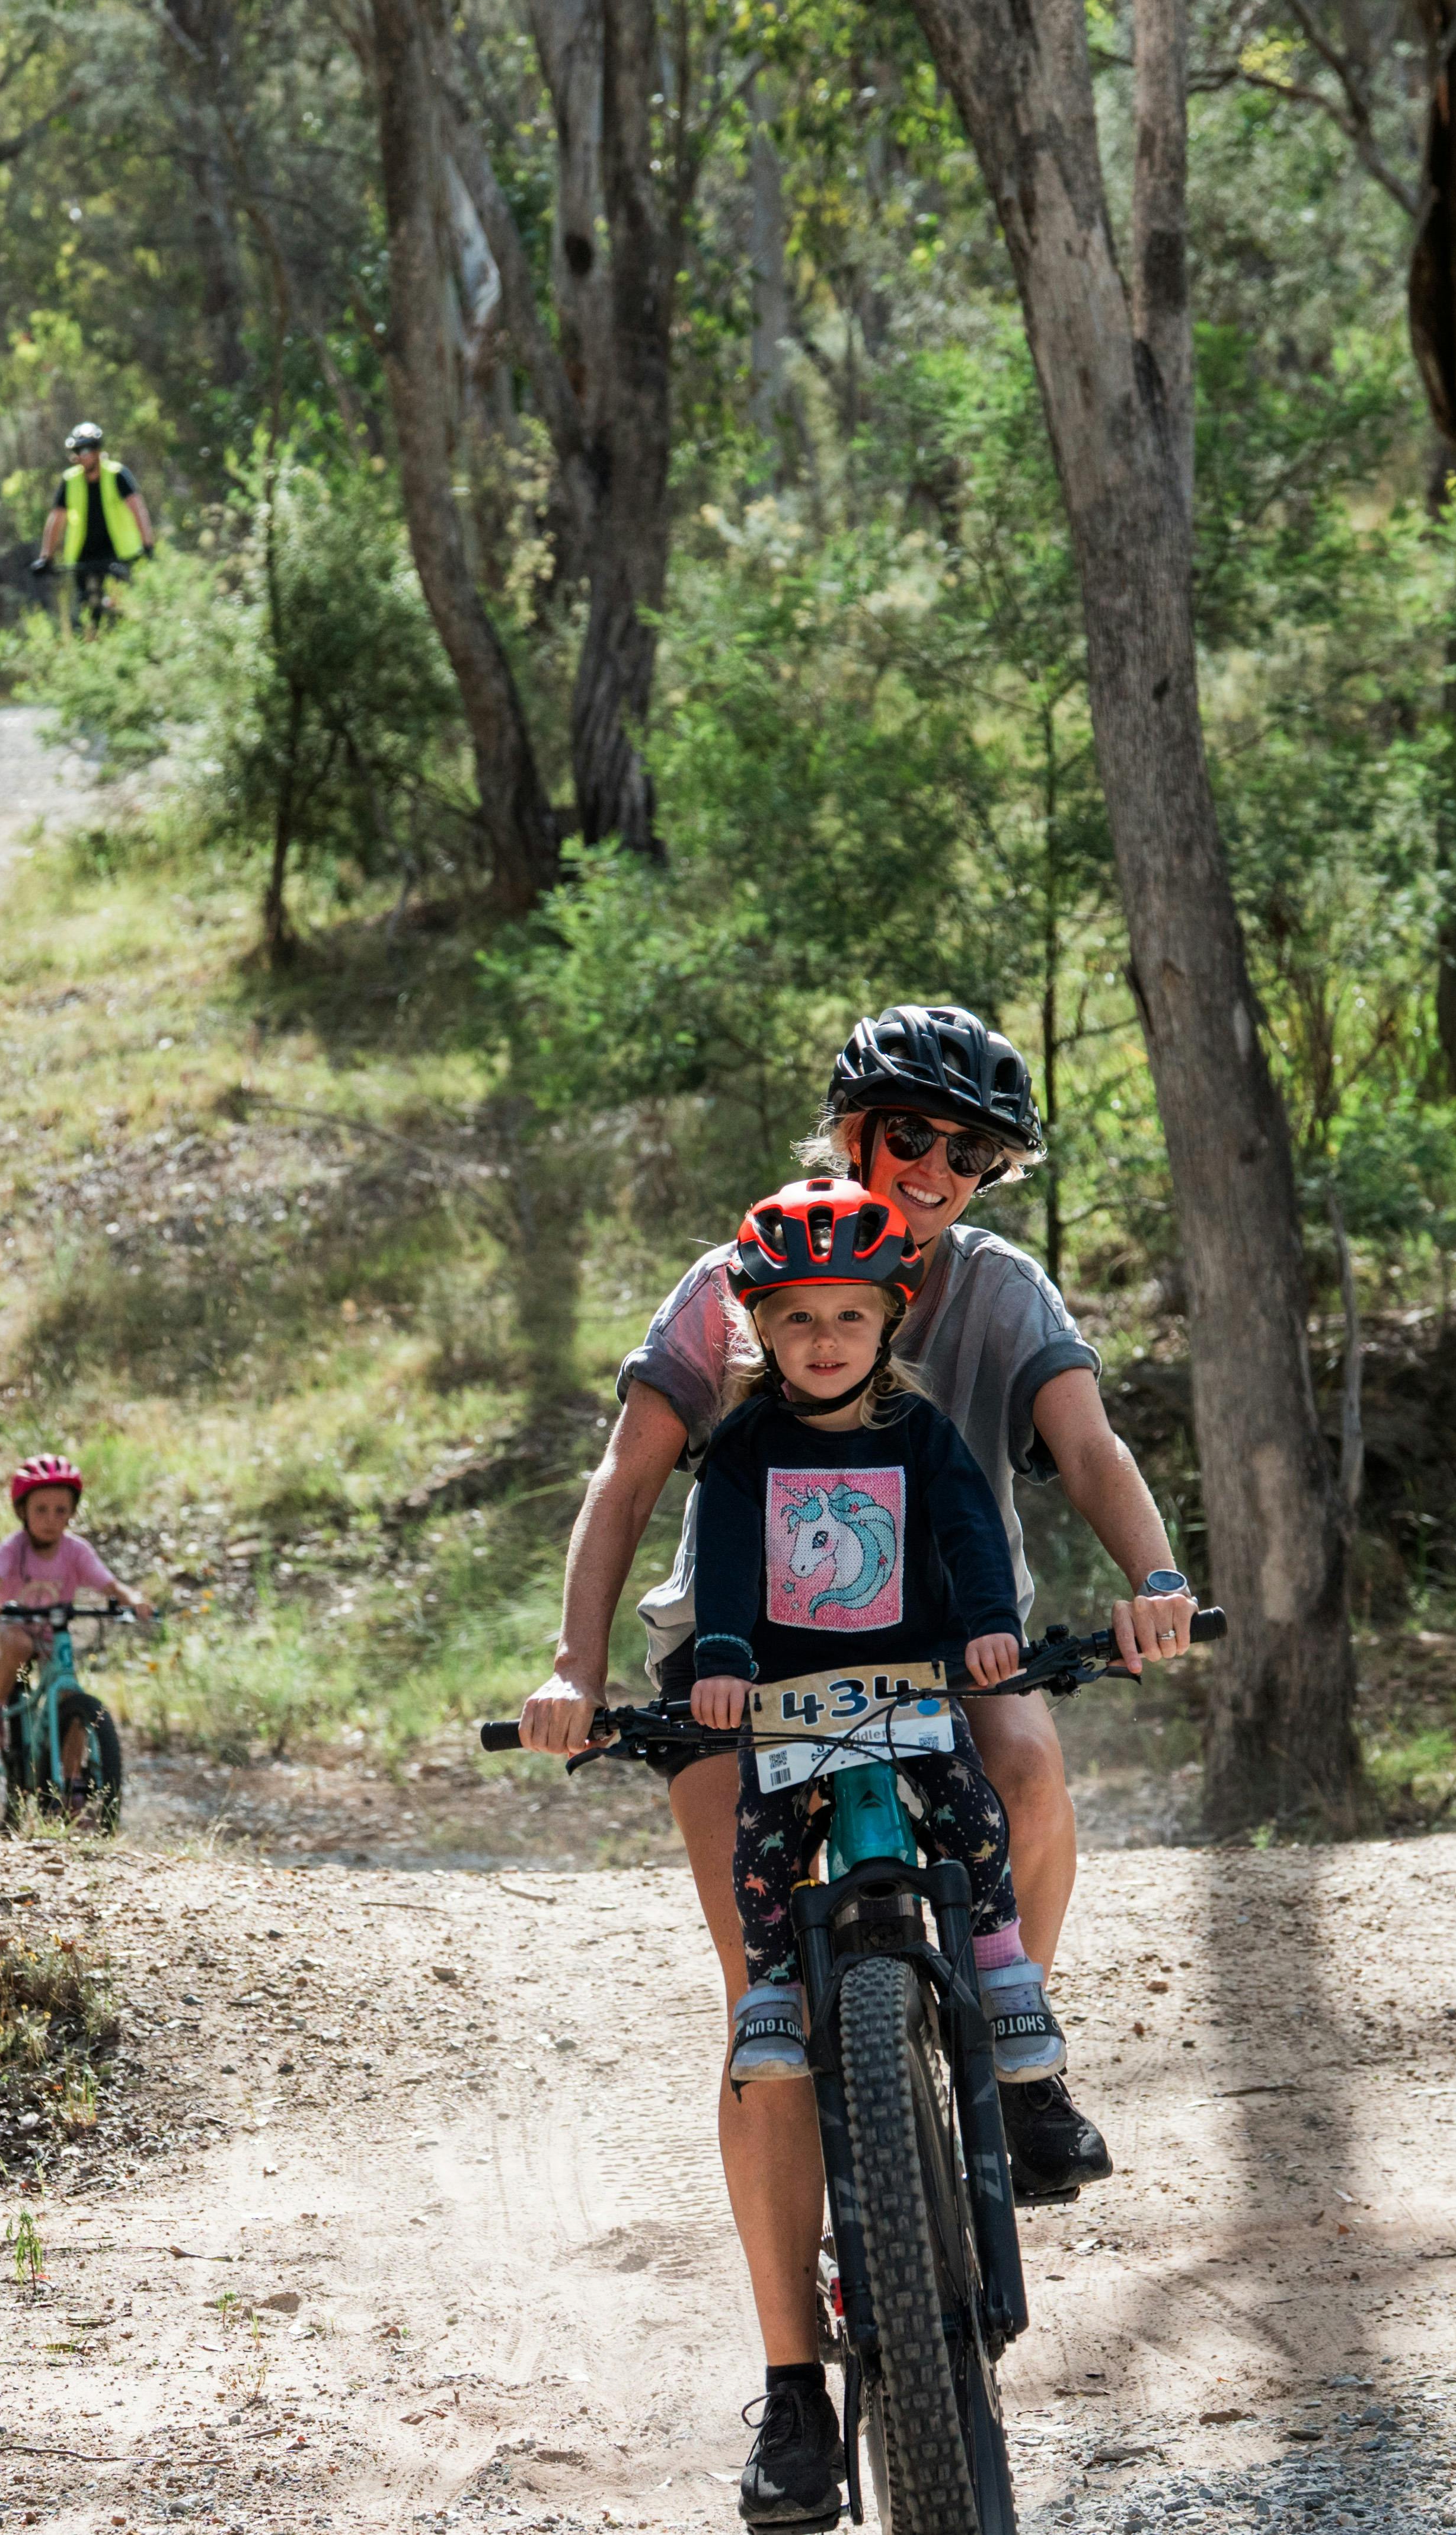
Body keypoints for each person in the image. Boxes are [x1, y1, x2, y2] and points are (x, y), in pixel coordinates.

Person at [512, 1003, 1198, 2528]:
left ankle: (992, 2041)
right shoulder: (735, 1279)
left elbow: (1085, 1446)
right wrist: (573, 1665)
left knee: (1025, 1766)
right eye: (907, 1134)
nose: (936, 1165)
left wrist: (1155, 1575)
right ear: (852, 1131)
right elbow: (626, 1478)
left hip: (944, 1640)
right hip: (740, 1656)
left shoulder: (1002, 1290)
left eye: (972, 1148)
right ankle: (791, 2390)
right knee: (761, 2003)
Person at [682, 1177, 1068, 2098]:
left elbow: (972, 1531)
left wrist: (989, 1628)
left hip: (910, 1674)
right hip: (787, 1685)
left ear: (889, 1320)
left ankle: (1004, 1965)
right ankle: (773, 1989)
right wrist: (723, 1659)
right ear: (764, 1329)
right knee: (764, 1839)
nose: (826, 1338)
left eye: (850, 1314)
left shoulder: (920, 1432)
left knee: (972, 1808)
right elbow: (727, 1560)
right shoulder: (743, 1447)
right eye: (801, 1317)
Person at [0, 1455, 154, 1765]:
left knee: (72, 1698)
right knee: (20, 1645)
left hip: (53, 1631)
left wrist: (133, 1599)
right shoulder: (14, 1548)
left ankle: (69, 1786)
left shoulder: (76, 1551)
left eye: (60, 1510)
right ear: (22, 1511)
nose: (51, 1518)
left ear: (72, 1514)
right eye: (41, 1510)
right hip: (10, 1626)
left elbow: (110, 1585)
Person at [36, 422, 155, 626]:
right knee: (87, 612)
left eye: (87, 449)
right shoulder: (70, 480)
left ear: (98, 450)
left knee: (121, 607)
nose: (82, 456)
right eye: (77, 451)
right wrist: (46, 557)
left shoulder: (118, 475)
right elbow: (56, 519)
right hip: (84, 557)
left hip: (119, 554)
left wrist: (148, 546)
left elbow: (138, 510)